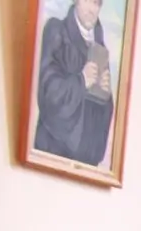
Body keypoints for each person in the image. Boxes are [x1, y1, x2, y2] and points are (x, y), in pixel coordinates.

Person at [33, 0, 114, 166]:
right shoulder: (56, 31)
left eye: (97, 3)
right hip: (51, 155)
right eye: (87, 1)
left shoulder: (100, 50)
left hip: (86, 164)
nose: (92, 10)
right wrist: (81, 80)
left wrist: (105, 96)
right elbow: (48, 93)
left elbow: (102, 118)